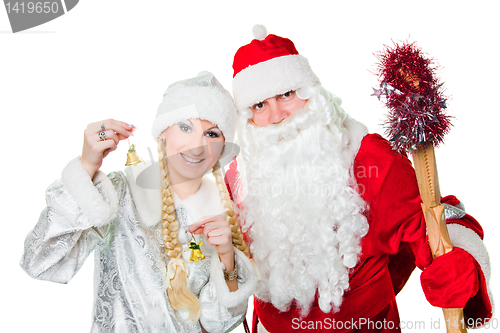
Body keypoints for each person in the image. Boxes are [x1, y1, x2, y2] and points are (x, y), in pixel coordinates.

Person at [225, 25, 493, 332]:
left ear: (312, 95)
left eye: (286, 95)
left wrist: (460, 260)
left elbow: (435, 219)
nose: (276, 116)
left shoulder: (367, 157)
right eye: (260, 105)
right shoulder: (239, 175)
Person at [20, 72, 258, 332]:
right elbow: (40, 262)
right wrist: (87, 165)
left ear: (223, 146)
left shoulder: (223, 212)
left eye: (211, 134)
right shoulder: (122, 193)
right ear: (163, 132)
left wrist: (227, 258)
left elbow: (215, 325)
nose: (197, 147)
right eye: (186, 127)